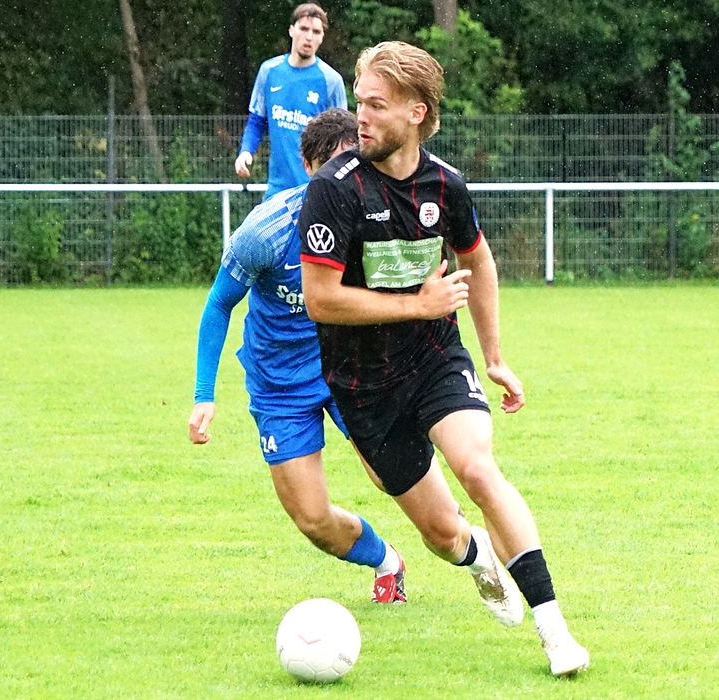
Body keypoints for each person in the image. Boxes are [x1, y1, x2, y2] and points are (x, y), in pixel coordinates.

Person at [297, 42, 590, 677]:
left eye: (377, 105)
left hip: (434, 359)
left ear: (417, 112)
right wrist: (415, 303)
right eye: (360, 102)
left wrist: (495, 355)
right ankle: (479, 557)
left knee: (478, 471)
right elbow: (321, 300)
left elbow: (477, 258)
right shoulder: (332, 190)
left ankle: (555, 631)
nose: (361, 116)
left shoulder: (445, 185)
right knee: (440, 534)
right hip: (363, 387)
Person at [190, 108, 406, 604]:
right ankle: (386, 561)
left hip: (349, 367)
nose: (345, 178)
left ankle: (460, 536)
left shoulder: (378, 223)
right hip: (279, 384)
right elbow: (219, 304)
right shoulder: (266, 231)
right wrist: (204, 395)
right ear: (308, 168)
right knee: (312, 519)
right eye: (333, 166)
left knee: (395, 473)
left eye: (354, 165)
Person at [234, 3, 347, 200]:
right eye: (304, 28)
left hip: (316, 191)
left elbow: (342, 139)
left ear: (322, 37)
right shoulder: (269, 71)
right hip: (277, 191)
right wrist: (246, 151)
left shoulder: (331, 81)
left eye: (316, 32)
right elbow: (257, 121)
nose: (309, 36)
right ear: (291, 30)